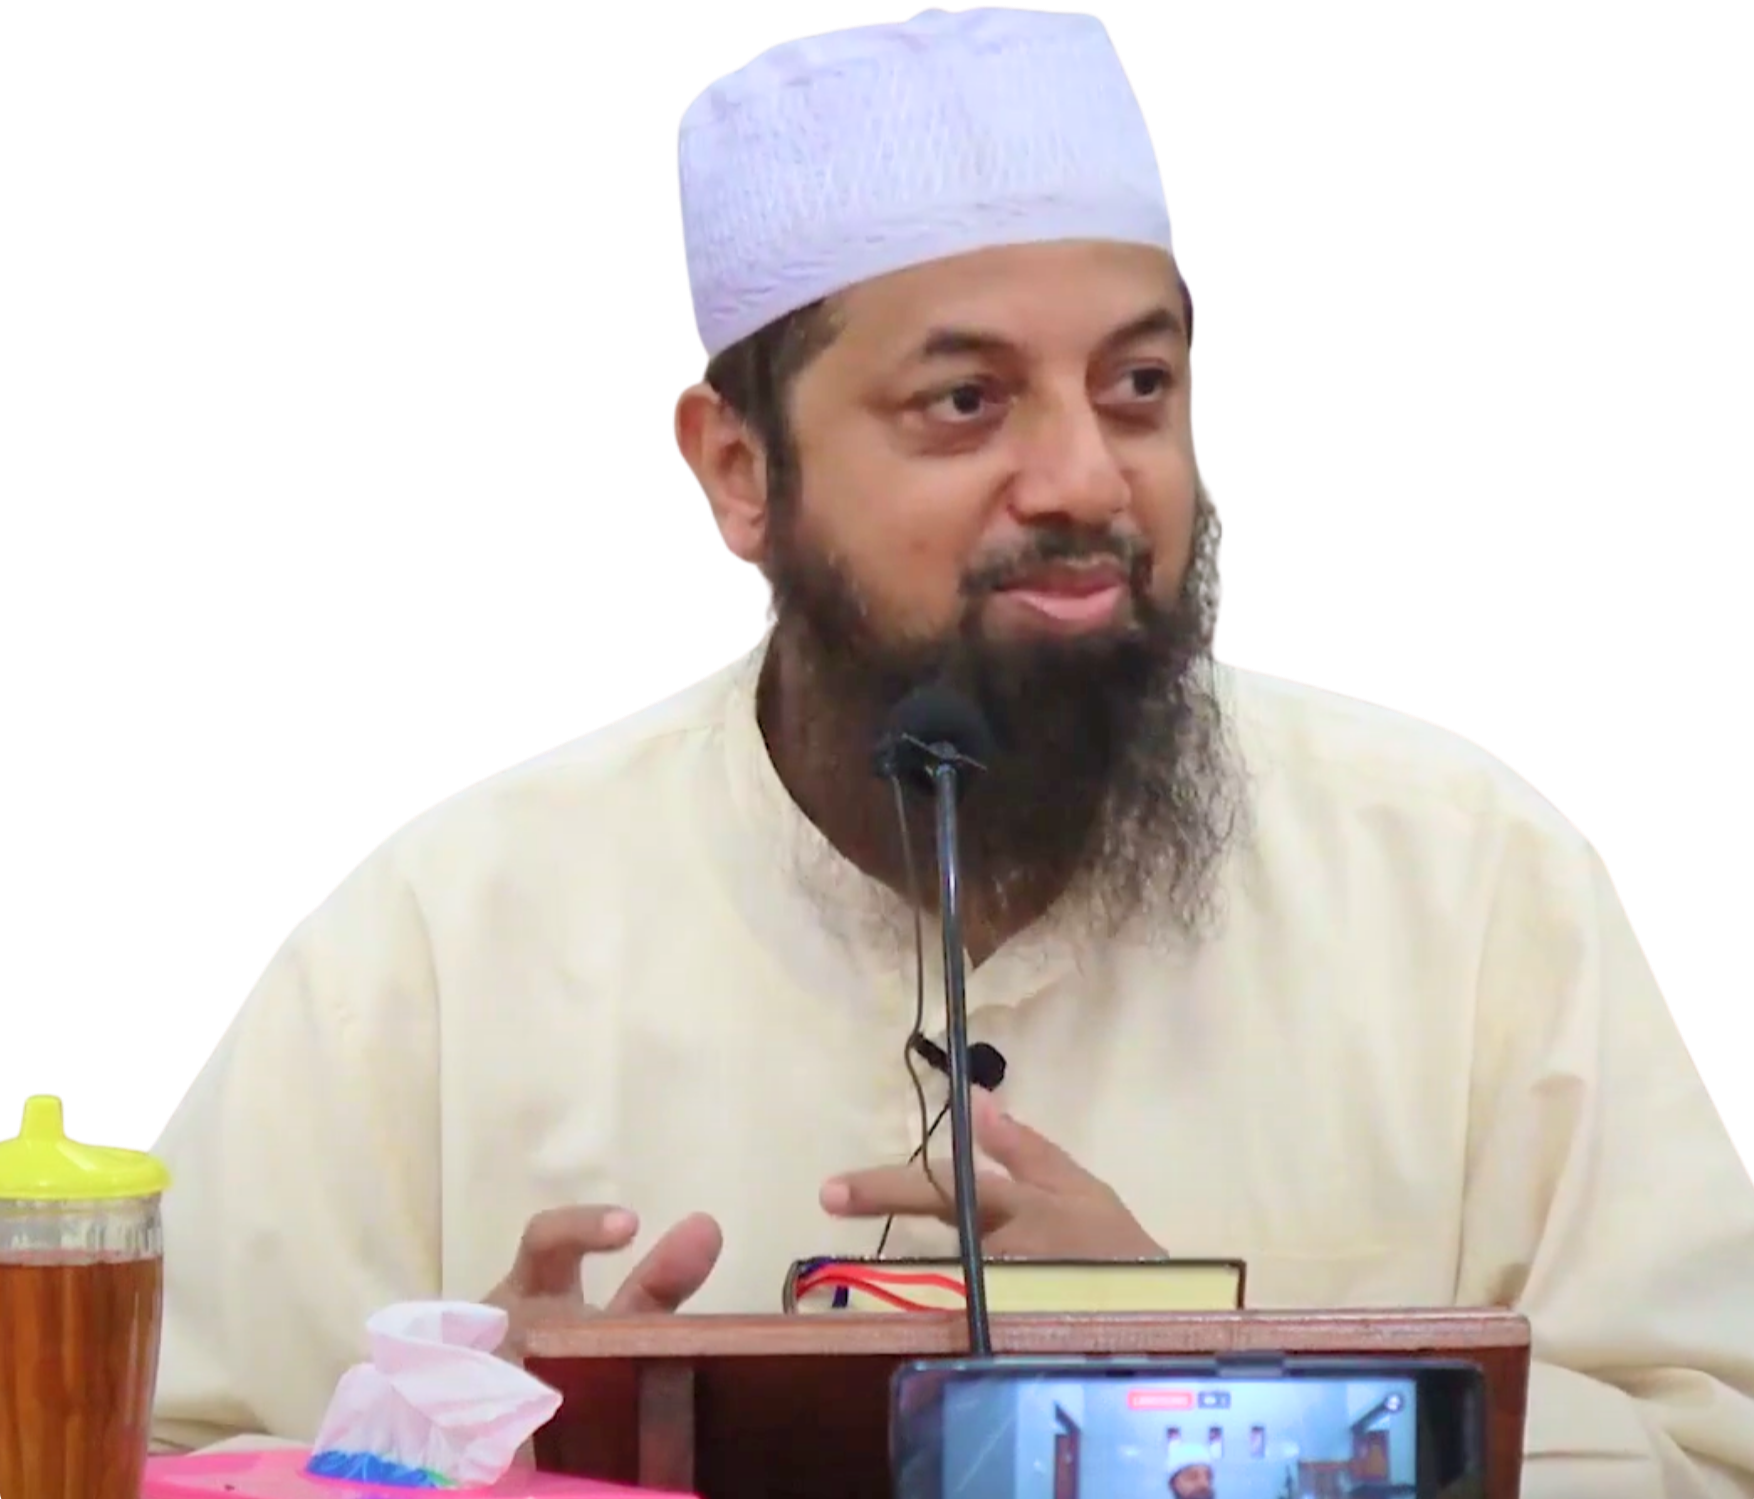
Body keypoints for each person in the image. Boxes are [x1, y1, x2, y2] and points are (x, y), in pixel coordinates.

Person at [148, 8, 1754, 1497]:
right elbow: (150, 1441)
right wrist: (437, 1454)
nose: (1081, 478)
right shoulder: (443, 939)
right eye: (965, 400)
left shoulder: (1459, 881)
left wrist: (1235, 1402)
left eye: (1138, 386)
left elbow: (1708, 1440)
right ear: (736, 470)